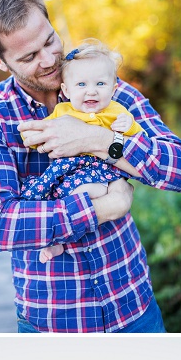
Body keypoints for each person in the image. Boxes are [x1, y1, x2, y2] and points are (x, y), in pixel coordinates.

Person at [0, 0, 181, 333]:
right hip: (53, 322)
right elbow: (0, 224)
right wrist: (103, 208)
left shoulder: (101, 83)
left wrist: (97, 139)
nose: (50, 59)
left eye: (50, 40)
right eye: (29, 56)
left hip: (134, 308)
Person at [18, 40, 144, 263]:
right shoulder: (62, 111)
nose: (91, 91)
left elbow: (137, 133)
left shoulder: (116, 110)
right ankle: (55, 239)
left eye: (101, 84)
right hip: (65, 171)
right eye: (82, 85)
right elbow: (44, 131)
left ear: (114, 89)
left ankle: (59, 242)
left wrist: (128, 126)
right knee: (46, 197)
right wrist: (31, 137)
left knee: (84, 194)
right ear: (66, 90)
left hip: (97, 171)